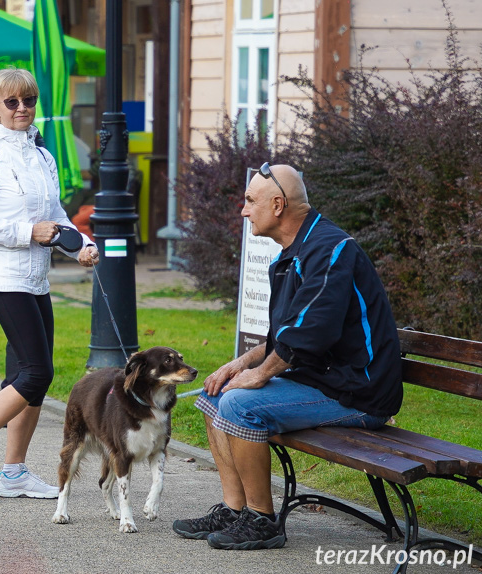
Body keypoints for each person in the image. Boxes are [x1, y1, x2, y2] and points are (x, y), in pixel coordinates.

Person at [171, 163, 403, 550]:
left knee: (240, 405)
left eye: (249, 201)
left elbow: (312, 332)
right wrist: (241, 364)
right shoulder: (296, 252)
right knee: (215, 393)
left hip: (359, 392)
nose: (243, 210)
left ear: (277, 204)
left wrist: (261, 375)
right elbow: (286, 334)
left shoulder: (331, 249)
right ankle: (235, 509)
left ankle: (263, 520)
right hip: (323, 380)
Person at [0, 68, 99, 500]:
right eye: (11, 102)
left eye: (28, 101)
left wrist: (80, 245)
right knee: (36, 371)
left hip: (35, 277)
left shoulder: (41, 156)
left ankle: (14, 472)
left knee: (36, 376)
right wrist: (28, 232)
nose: (22, 109)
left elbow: (58, 219)